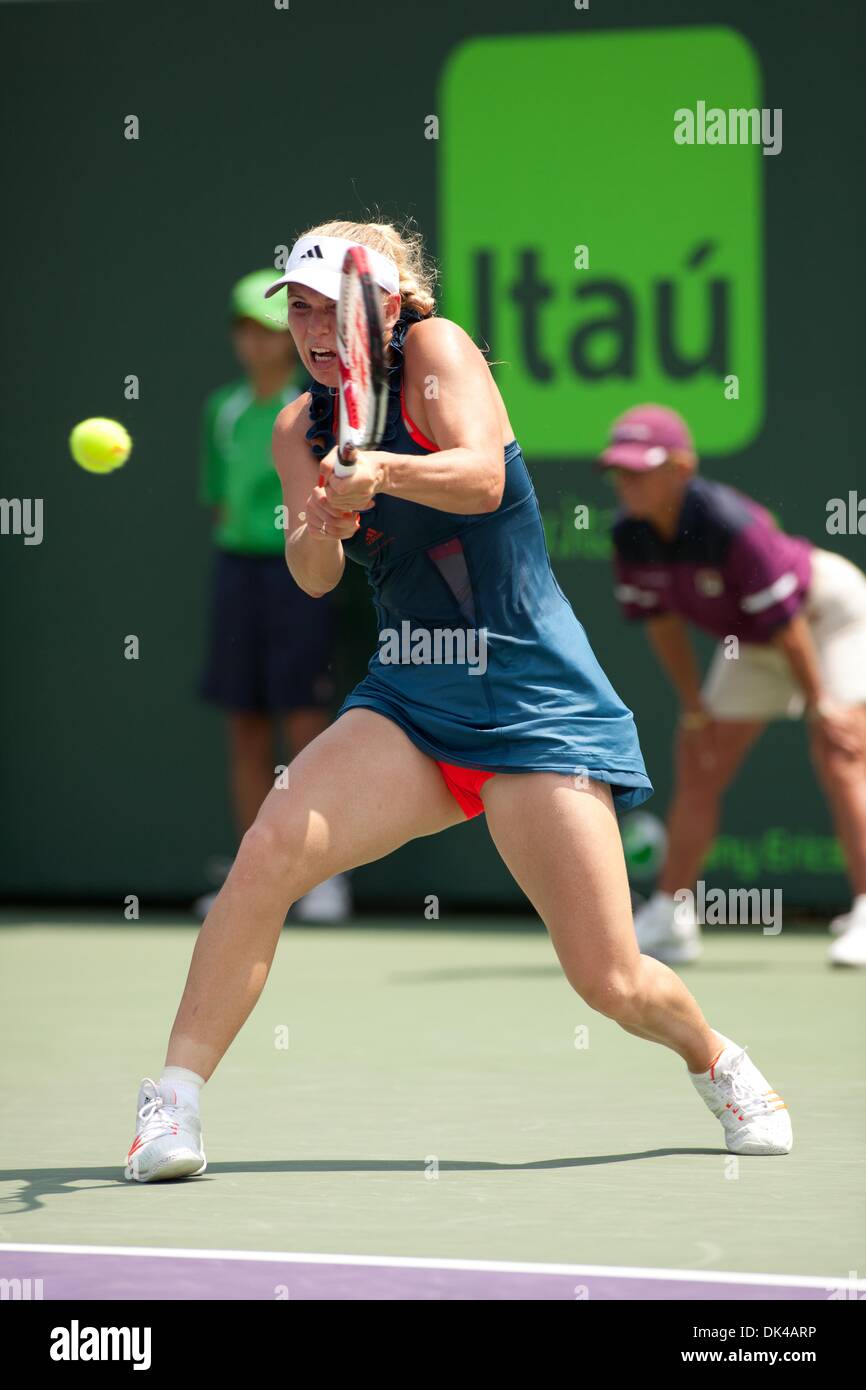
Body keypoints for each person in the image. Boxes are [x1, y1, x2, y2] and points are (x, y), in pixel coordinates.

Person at [123, 224, 792, 1183]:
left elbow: (480, 477)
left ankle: (717, 1061)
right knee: (270, 851)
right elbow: (314, 576)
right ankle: (172, 1103)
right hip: (410, 696)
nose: (314, 328)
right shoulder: (294, 426)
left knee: (610, 980)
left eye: (330, 306)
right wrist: (325, 517)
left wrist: (383, 470)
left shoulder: (439, 352)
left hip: (531, 696)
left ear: (388, 307)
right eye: (299, 308)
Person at [601, 404, 866, 968]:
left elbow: (791, 624)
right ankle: (672, 917)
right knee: (701, 760)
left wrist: (821, 706)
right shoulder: (630, 535)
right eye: (619, 472)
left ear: (680, 468)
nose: (626, 484)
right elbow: (663, 624)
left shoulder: (728, 522)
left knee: (842, 755)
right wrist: (694, 711)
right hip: (756, 640)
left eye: (639, 471)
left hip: (827, 619)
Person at [197, 268, 351, 924]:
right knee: (246, 723)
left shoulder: (309, 410)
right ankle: (256, 872)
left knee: (305, 723)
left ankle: (319, 875)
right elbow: (218, 504)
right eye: (247, 331)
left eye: (269, 331)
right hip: (239, 574)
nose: (258, 343)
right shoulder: (222, 411)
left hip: (301, 576)